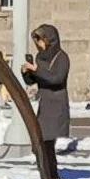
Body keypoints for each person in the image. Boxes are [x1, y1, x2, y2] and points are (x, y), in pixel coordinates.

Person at [23, 22, 71, 161]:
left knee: (46, 143)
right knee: (40, 143)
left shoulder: (62, 57)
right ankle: (48, 174)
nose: (39, 44)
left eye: (40, 40)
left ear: (49, 40)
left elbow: (56, 79)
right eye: (37, 41)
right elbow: (33, 81)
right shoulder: (40, 57)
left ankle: (51, 175)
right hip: (44, 104)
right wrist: (27, 73)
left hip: (56, 103)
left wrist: (36, 70)